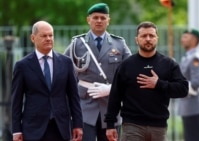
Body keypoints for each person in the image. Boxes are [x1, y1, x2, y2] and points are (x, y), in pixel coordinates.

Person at [104, 21, 188, 141]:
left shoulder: (168, 64)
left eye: (151, 36)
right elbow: (115, 96)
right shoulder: (126, 65)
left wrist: (159, 84)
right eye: (143, 36)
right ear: (136, 39)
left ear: (157, 38)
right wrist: (110, 124)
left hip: (159, 127)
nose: (148, 39)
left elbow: (183, 89)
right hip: (132, 126)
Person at [64, 3, 132, 141]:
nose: (99, 21)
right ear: (88, 20)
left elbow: (130, 72)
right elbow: (63, 70)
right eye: (95, 17)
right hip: (84, 105)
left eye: (103, 17)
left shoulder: (119, 44)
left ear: (108, 20)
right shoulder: (77, 43)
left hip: (111, 107)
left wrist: (112, 89)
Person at [11, 21, 83, 141]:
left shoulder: (66, 63)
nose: (48, 39)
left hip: (60, 127)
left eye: (51, 35)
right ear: (33, 38)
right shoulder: (22, 66)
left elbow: (74, 97)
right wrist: (16, 130)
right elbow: (16, 101)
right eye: (44, 36)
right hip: (33, 129)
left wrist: (78, 124)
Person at [177, 29, 199, 141]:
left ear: (194, 40)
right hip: (186, 107)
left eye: (185, 37)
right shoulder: (187, 58)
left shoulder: (195, 58)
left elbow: (196, 82)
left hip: (192, 106)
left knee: (195, 138)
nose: (182, 39)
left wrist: (178, 86)